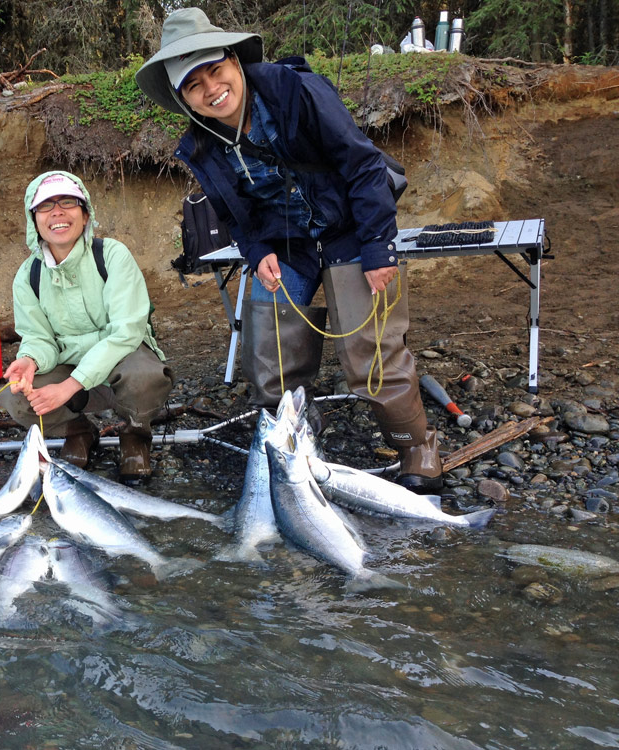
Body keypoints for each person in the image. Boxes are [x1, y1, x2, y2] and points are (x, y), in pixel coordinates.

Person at [135, 8, 442, 493]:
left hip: (349, 230)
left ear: (235, 61)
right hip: (286, 245)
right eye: (193, 85)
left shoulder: (295, 89)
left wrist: (379, 247)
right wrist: (256, 253)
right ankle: (300, 432)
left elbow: (362, 166)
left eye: (215, 70)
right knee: (270, 357)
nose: (211, 88)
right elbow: (234, 215)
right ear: (182, 98)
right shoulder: (199, 146)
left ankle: (415, 445)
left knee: (370, 353)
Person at [0, 171, 173, 479]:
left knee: (145, 374)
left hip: (120, 365)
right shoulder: (28, 275)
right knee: (16, 396)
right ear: (33, 218)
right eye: (46, 206)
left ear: (85, 213)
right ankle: (77, 430)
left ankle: (135, 435)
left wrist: (69, 386)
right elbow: (39, 338)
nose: (57, 212)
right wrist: (29, 359)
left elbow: (126, 332)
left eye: (68, 202)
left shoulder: (113, 255)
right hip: (70, 372)